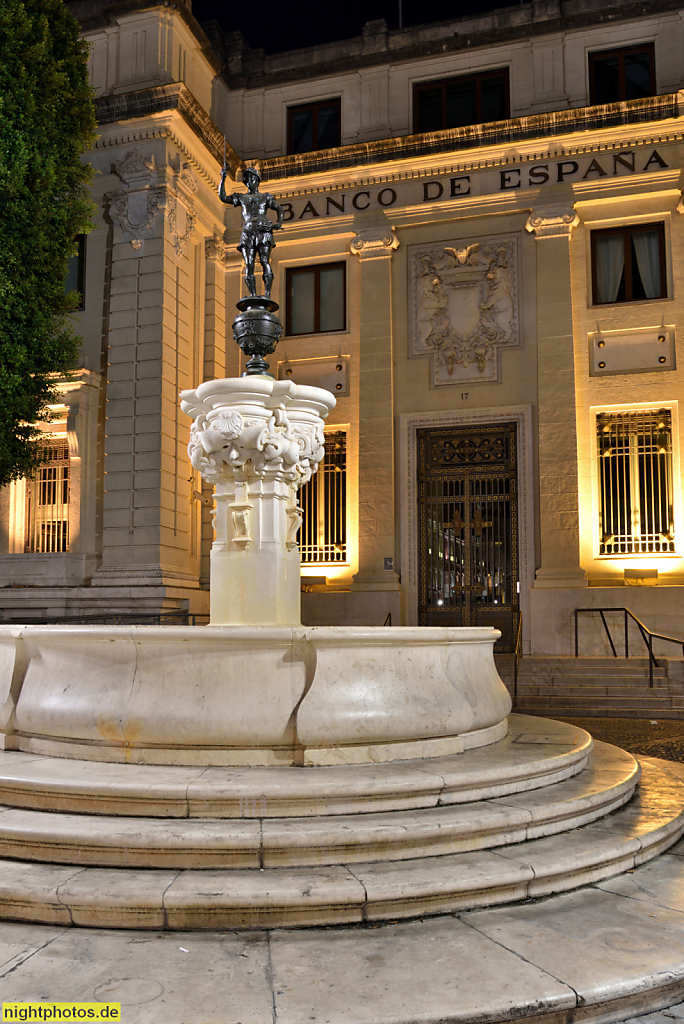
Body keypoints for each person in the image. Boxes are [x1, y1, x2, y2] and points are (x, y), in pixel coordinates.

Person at [219, 166, 284, 299]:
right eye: (246, 179)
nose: (249, 181)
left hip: (263, 229)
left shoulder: (265, 197)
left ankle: (267, 294)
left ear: (257, 180)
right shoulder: (242, 198)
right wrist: (223, 179)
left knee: (264, 261)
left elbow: (279, 209)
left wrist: (278, 223)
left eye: (251, 178)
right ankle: (253, 295)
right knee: (249, 264)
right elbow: (223, 197)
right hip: (248, 231)